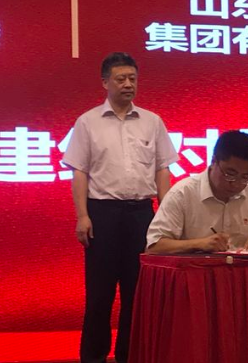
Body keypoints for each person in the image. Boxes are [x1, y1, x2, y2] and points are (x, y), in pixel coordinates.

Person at [62, 52, 178, 363]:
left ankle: (131, 354)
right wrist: (82, 216)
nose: (128, 84)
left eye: (132, 79)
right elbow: (79, 172)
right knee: (99, 293)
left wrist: (165, 213)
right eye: (121, 79)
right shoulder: (87, 122)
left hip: (141, 214)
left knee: (136, 292)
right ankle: (93, 356)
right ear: (105, 83)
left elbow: (162, 169)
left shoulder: (152, 122)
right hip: (102, 214)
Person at [146, 130, 248, 253]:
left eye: (245, 177)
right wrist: (198, 244)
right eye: (230, 174)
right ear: (213, 161)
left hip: (242, 270)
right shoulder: (183, 193)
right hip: (196, 270)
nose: (236, 184)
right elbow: (154, 247)